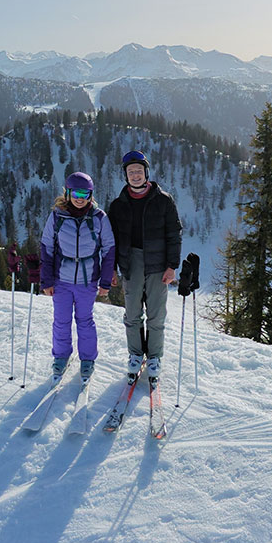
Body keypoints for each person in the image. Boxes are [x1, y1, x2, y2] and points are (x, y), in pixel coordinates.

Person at [107, 150, 182, 381]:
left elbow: (174, 233)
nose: (136, 175)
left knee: (156, 315)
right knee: (132, 314)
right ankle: (135, 355)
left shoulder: (163, 200)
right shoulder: (118, 205)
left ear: (146, 173)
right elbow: (110, 241)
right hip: (130, 263)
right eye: (131, 172)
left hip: (158, 264)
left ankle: (155, 357)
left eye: (139, 171)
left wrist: (172, 266)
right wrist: (110, 268)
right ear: (125, 175)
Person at [39, 172, 116, 382]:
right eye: (76, 193)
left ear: (90, 195)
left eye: (85, 193)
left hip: (87, 280)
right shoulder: (57, 216)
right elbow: (46, 247)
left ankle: (88, 359)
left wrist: (105, 281)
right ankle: (61, 356)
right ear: (67, 193)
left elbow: (108, 249)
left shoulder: (99, 218)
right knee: (61, 321)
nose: (80, 198)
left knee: (85, 320)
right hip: (61, 280)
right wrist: (46, 280)